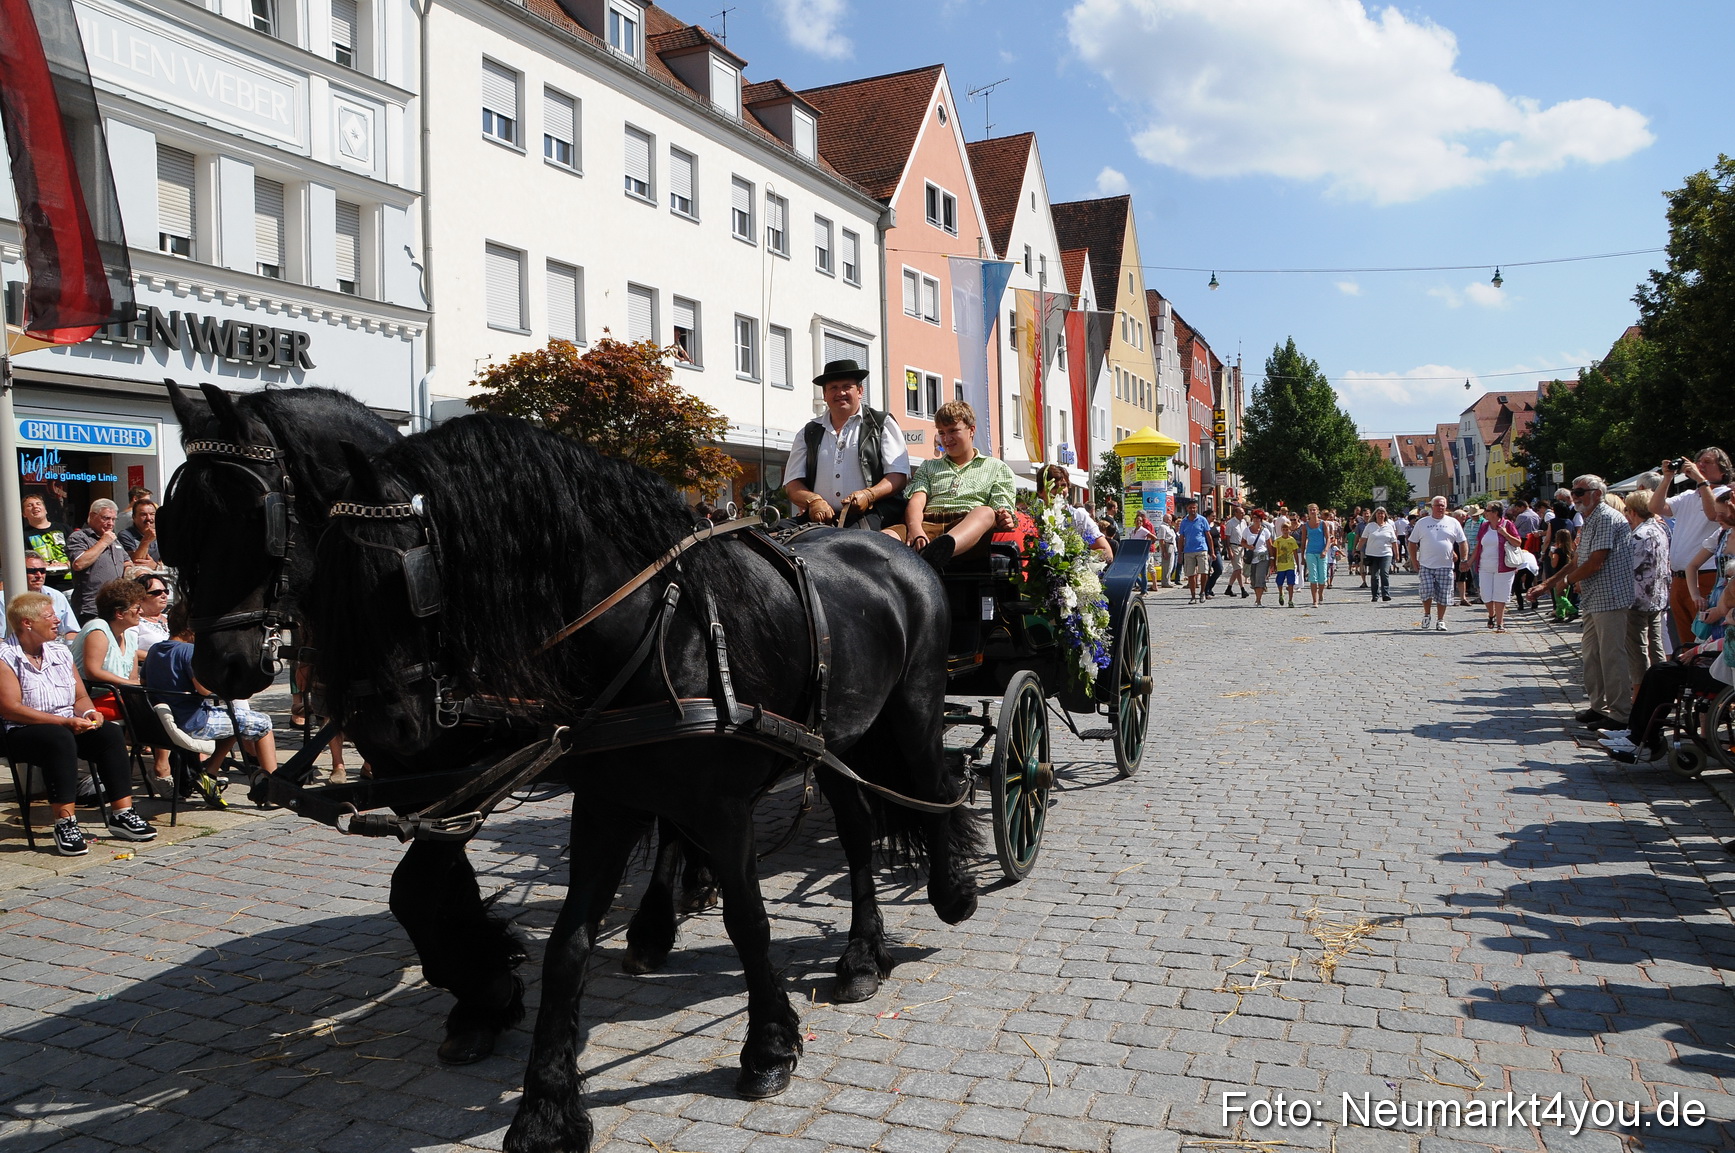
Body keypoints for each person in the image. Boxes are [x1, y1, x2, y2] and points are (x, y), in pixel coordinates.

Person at [0, 592, 155, 855]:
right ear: (27, 623)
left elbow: (80, 696)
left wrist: (89, 714)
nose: (57, 620)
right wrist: (64, 722)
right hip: (19, 730)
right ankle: (65, 822)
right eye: (49, 616)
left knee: (109, 734)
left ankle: (122, 813)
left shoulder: (60, 651)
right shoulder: (6, 655)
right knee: (57, 739)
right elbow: (10, 708)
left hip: (65, 722)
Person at [144, 598, 279, 803]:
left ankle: (210, 772)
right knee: (263, 724)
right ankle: (274, 788)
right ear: (191, 628)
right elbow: (205, 690)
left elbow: (144, 680)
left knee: (238, 720)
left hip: (161, 723)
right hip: (192, 722)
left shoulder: (155, 650)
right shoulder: (188, 651)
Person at [1531, 475, 1635, 729]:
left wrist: (1566, 582)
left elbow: (1595, 562)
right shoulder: (1590, 519)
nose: (1575, 497)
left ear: (1597, 493)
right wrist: (1548, 584)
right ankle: (1599, 707)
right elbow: (1577, 560)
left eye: (1580, 491)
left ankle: (1620, 714)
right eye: (1573, 492)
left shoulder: (1607, 518)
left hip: (1610, 597)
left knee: (1612, 657)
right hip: (1594, 598)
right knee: (1591, 656)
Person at [890, 400, 1016, 572]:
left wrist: (1004, 517)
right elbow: (917, 502)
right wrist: (916, 531)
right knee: (882, 539)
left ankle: (941, 551)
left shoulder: (996, 467)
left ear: (971, 430)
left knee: (986, 512)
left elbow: (1001, 510)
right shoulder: (928, 466)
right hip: (928, 525)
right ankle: (932, 552)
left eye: (953, 431)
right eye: (942, 433)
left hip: (968, 529)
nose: (947, 439)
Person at [783, 359, 909, 531]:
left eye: (846, 386)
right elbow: (792, 484)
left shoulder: (882, 423)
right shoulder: (808, 432)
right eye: (833, 388)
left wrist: (869, 495)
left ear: (860, 391)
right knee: (765, 536)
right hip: (820, 520)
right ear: (825, 394)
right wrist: (813, 501)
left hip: (873, 514)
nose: (840, 392)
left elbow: (898, 476)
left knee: (849, 545)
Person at [1650, 449, 1730, 649]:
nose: (1699, 465)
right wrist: (1667, 478)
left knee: (1704, 637)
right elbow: (1655, 507)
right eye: (1698, 461)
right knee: (1686, 639)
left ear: (1722, 470)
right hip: (1680, 577)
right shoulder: (1688, 495)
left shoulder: (1724, 494)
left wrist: (1701, 480)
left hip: (1706, 576)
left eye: (1707, 462)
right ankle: (1689, 676)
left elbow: (1713, 514)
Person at [71, 579, 146, 721]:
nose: (141, 612)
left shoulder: (129, 636)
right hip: (89, 699)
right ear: (119, 613)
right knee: (145, 709)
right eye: (137, 607)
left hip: (117, 696)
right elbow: (93, 672)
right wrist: (132, 684)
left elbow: (133, 677)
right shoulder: (98, 629)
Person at [1624, 491, 1671, 686]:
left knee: (1638, 649)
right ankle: (1661, 687)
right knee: (1656, 645)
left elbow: (1629, 567)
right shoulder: (1661, 528)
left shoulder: (1639, 535)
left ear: (1633, 511)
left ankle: (1641, 692)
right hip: (1657, 596)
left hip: (1637, 598)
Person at [1409, 496, 1467, 631]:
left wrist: (1463, 558)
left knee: (1444, 594)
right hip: (1426, 564)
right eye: (1437, 505)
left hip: (1445, 565)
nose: (1440, 508)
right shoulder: (1422, 522)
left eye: (1443, 505)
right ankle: (1427, 614)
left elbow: (1462, 542)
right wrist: (1414, 560)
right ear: (1432, 507)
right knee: (1426, 590)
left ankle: (1440, 620)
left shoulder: (1453, 522)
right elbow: (1412, 542)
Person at [67, 499, 131, 621]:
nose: (110, 523)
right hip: (90, 608)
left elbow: (127, 562)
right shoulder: (80, 537)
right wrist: (103, 542)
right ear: (92, 516)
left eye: (113, 519)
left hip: (115, 605)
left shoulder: (114, 539)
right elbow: (79, 563)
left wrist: (131, 571)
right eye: (106, 518)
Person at [1471, 500, 1522, 632]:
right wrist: (1469, 561)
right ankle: (1491, 615)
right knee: (1485, 595)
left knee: (1500, 595)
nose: (1485, 513)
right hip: (1484, 566)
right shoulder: (1484, 526)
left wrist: (1505, 533)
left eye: (1487, 510)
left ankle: (1500, 623)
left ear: (1495, 513)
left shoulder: (1507, 524)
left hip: (1503, 567)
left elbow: (1518, 543)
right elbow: (1478, 545)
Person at [20, 493, 72, 593]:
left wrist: (67, 563)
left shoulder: (64, 528)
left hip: (70, 586)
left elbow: (77, 552)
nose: (35, 506)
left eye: (38, 503)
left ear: (45, 509)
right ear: (24, 514)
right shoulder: (23, 535)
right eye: (30, 505)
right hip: (44, 588)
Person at [16, 556, 77, 636]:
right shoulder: (5, 599)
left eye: (42, 571)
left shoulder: (57, 596)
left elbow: (72, 631)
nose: (39, 575)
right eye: (32, 571)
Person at [1177, 499, 1213, 604]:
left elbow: (1208, 536)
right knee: (1191, 574)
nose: (1192, 509)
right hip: (1188, 550)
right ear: (1187, 509)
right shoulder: (1184, 522)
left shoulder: (1202, 520)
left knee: (1204, 572)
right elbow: (1181, 538)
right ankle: (1193, 596)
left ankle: (1202, 592)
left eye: (1194, 507)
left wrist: (1212, 551)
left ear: (1196, 508)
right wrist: (1180, 553)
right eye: (1190, 507)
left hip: (1202, 549)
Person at [1360, 507, 1398, 602]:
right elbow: (1363, 539)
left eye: (1382, 513)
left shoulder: (1389, 526)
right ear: (1375, 515)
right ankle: (1375, 595)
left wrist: (1397, 554)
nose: (1380, 515)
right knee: (1374, 576)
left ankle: (1386, 594)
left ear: (1385, 515)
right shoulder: (1370, 526)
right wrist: (1357, 550)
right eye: (1378, 513)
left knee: (1384, 573)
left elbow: (1394, 541)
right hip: (1372, 554)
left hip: (1386, 553)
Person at [117, 498, 162, 572]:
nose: (149, 518)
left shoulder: (162, 534)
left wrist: (156, 566)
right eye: (143, 514)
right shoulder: (125, 535)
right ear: (134, 517)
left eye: (152, 514)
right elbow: (136, 562)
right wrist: (146, 540)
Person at [1243, 509, 1274, 607]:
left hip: (1263, 557)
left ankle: (1258, 600)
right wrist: (1248, 547)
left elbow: (1270, 545)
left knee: (1260, 577)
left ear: (1261, 520)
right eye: (1254, 518)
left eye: (1258, 518)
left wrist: (1272, 559)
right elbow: (1242, 542)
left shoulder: (1265, 531)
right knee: (1253, 579)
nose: (1256, 520)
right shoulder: (1247, 530)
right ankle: (1258, 596)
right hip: (1251, 557)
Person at [1302, 505, 1330, 607]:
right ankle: (1315, 600)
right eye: (1310, 510)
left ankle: (1321, 594)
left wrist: (1325, 550)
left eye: (1314, 510)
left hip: (1321, 552)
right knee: (1313, 576)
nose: (1312, 512)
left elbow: (1328, 538)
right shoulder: (1305, 525)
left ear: (1317, 511)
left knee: (1322, 577)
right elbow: (1304, 540)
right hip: (1310, 552)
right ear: (1308, 512)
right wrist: (1302, 557)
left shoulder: (1323, 524)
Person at [1221, 504, 1249, 599]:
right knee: (1239, 569)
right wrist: (1229, 550)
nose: (1243, 514)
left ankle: (1229, 588)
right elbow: (1227, 538)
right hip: (1234, 547)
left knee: (1236, 569)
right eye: (1241, 513)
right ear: (1235, 513)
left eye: (1243, 513)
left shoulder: (1244, 522)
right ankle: (1242, 589)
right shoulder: (1230, 523)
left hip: (1242, 547)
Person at [1270, 520, 1299, 607]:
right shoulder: (1278, 540)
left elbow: (1295, 553)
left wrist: (1298, 564)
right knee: (1279, 582)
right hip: (1281, 565)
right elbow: (1274, 552)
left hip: (1290, 564)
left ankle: (1290, 600)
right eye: (1284, 529)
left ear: (1289, 530)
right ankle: (1281, 593)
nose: (1285, 531)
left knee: (1291, 583)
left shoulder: (1292, 540)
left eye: (1287, 529)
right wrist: (1273, 564)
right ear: (1281, 530)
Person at [1152, 514, 1177, 588]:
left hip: (1172, 545)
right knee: (1166, 565)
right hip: (1167, 545)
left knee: (1170, 565)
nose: (1170, 520)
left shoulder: (1169, 527)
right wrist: (1164, 551)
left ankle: (1168, 580)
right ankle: (1165, 581)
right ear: (1166, 519)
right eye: (1169, 519)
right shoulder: (1163, 527)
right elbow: (1161, 540)